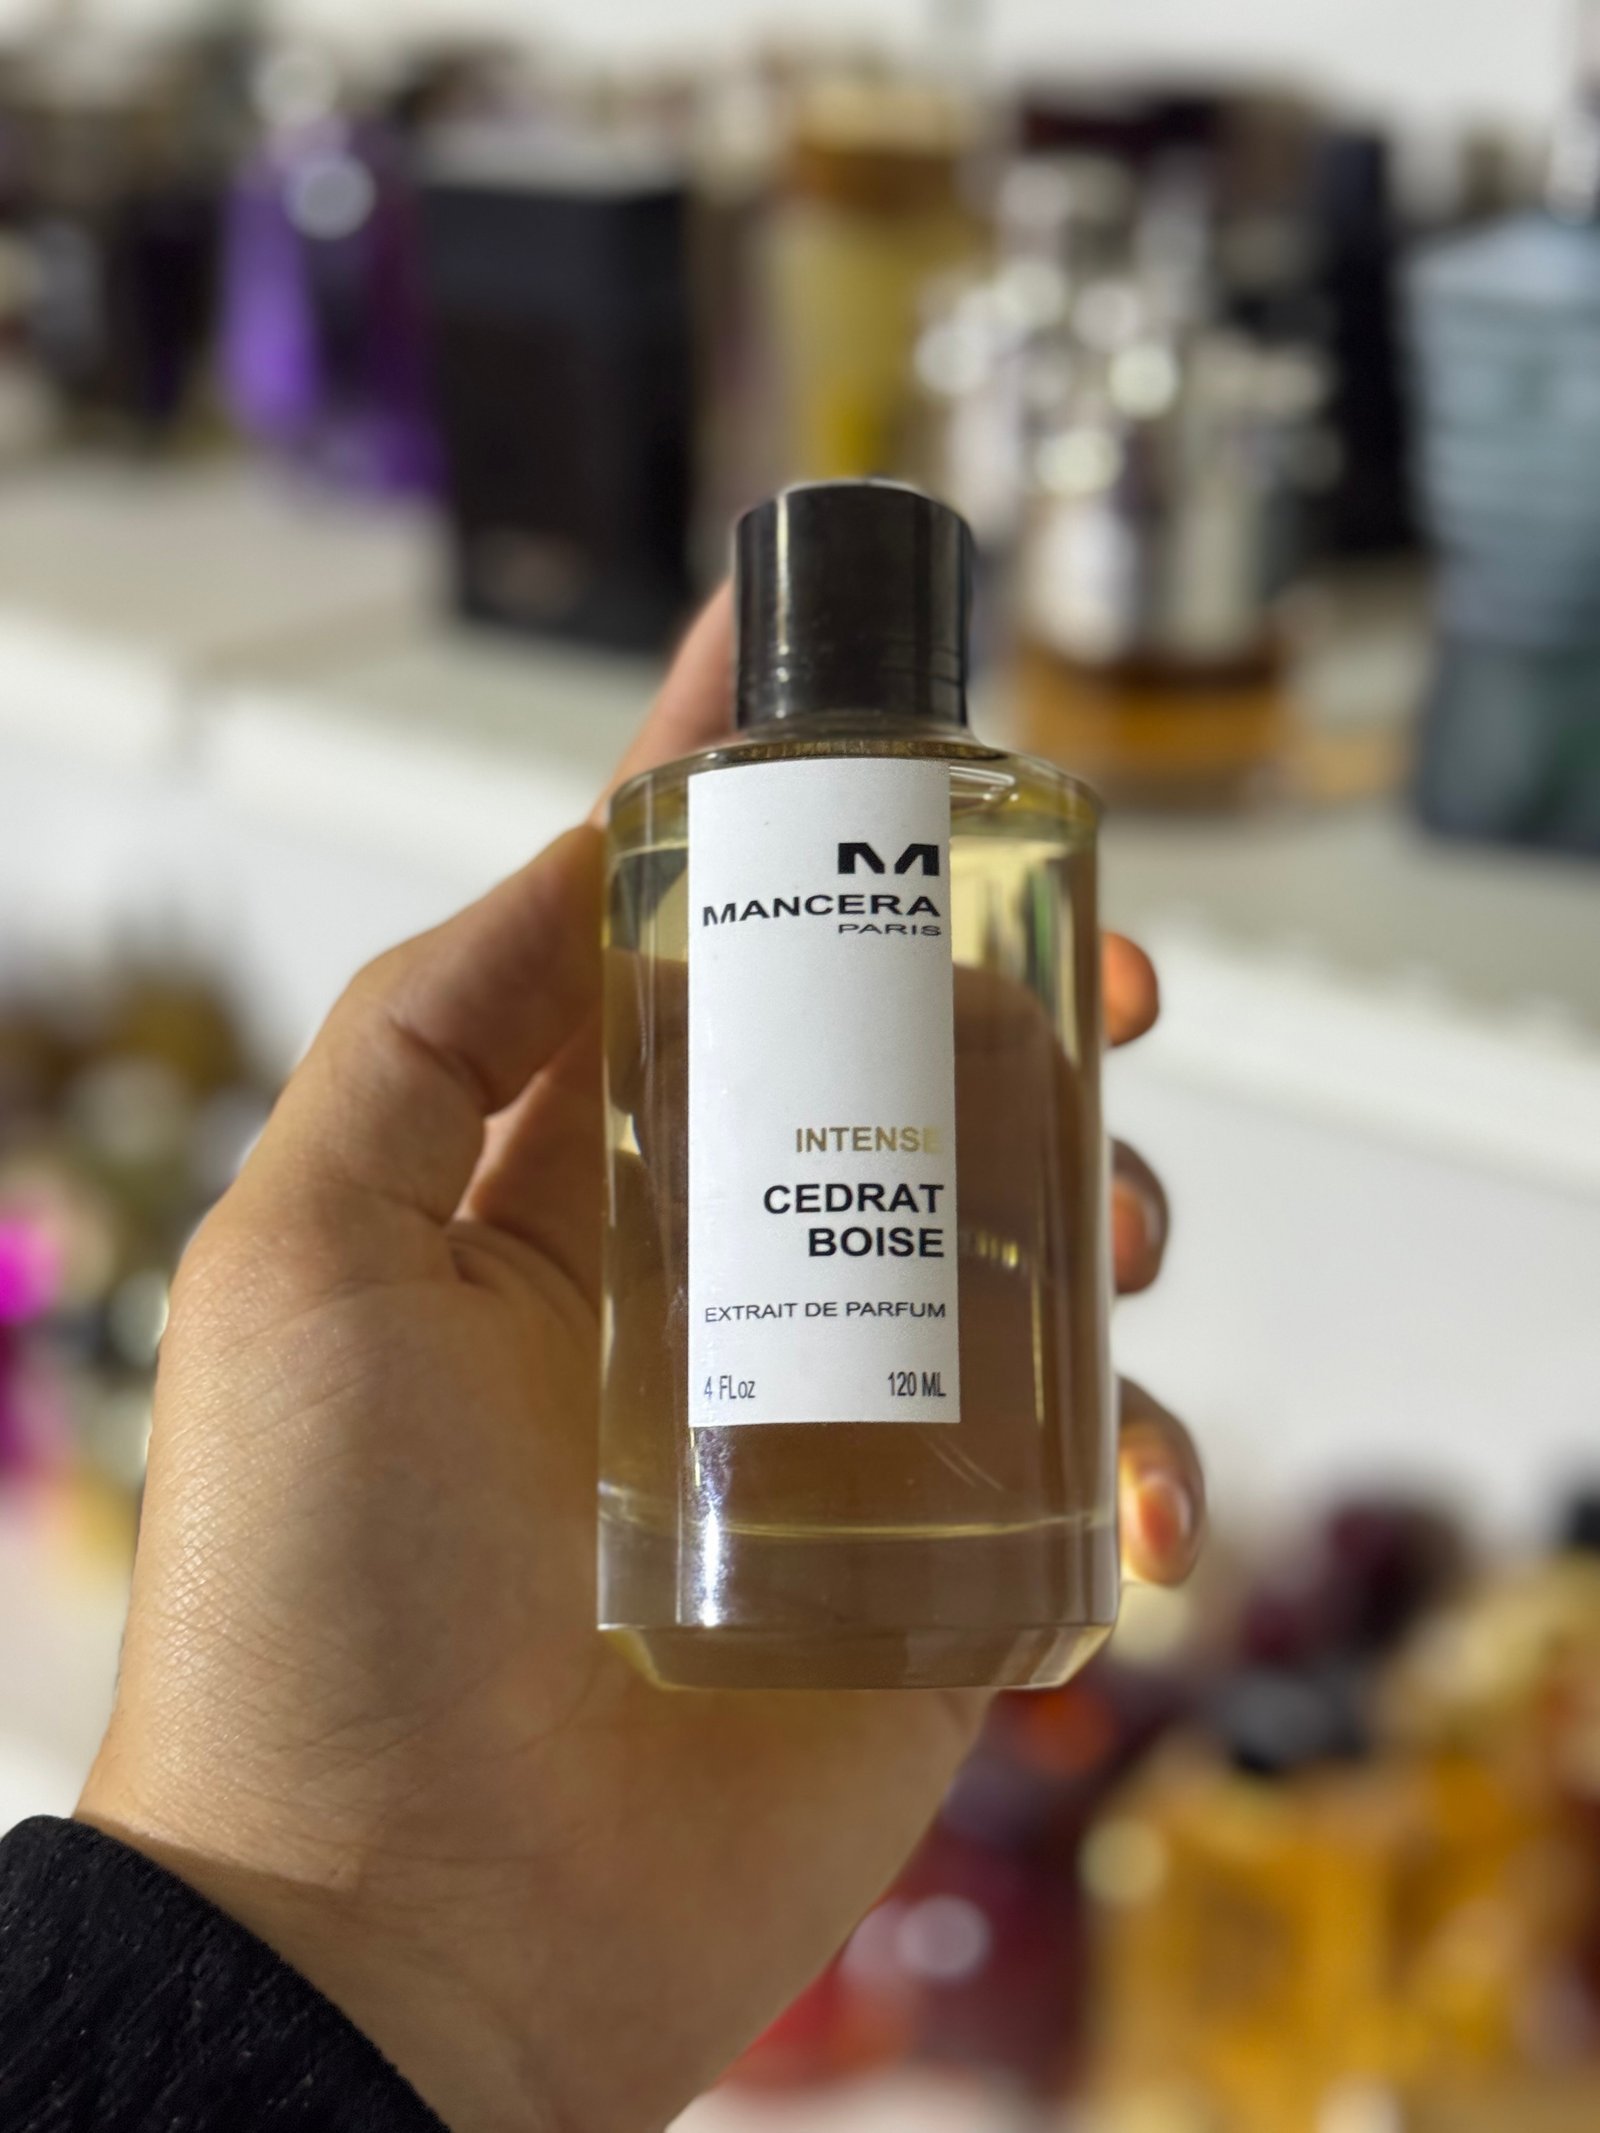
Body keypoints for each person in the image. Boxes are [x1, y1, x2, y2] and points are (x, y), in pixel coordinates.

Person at [0, 594, 1202, 2132]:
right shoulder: (695, 845)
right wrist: (351, 1921)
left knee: (1029, 1206)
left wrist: (380, 1960)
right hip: (610, 1659)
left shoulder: (1004, 820)